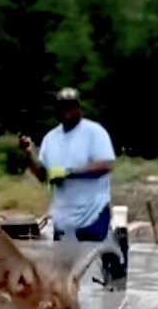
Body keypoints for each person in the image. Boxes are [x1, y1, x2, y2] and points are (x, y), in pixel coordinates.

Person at [18, 87, 117, 245]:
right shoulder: (51, 139)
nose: (68, 112)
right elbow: (43, 175)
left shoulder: (95, 132)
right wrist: (30, 154)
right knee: (65, 267)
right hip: (63, 218)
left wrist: (69, 172)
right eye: (63, 108)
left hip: (92, 215)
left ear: (79, 108)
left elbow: (105, 165)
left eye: (71, 107)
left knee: (91, 266)